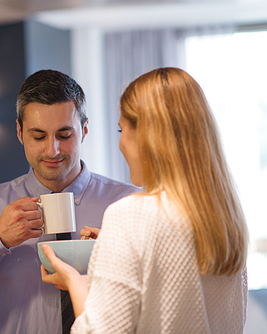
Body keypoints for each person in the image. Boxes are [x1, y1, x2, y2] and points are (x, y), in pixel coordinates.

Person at [0, 69, 138, 334]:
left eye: (64, 135)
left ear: (84, 130)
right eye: (39, 136)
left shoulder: (131, 203)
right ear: (20, 133)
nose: (52, 150)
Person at [41, 67, 249, 333]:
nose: (121, 144)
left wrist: (75, 281)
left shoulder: (132, 214)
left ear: (148, 135)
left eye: (121, 130)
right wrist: (117, 248)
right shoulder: (225, 217)